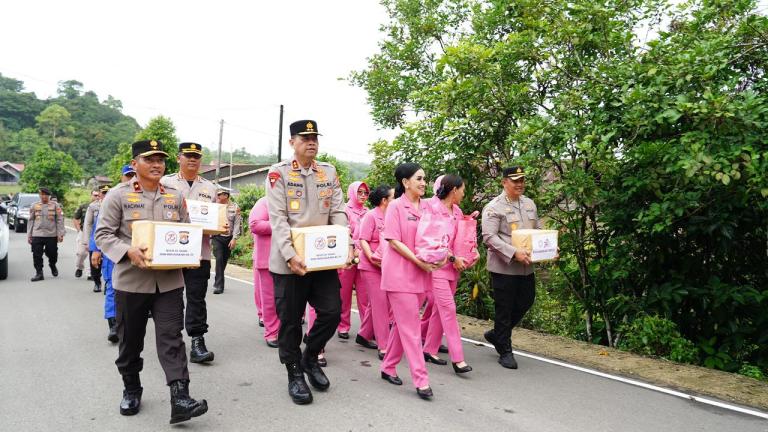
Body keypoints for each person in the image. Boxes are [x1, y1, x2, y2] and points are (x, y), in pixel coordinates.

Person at [95, 139, 208, 424]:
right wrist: (127, 251)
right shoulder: (118, 196)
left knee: (172, 338)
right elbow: (104, 235)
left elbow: (185, 230)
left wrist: (189, 249)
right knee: (130, 342)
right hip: (131, 283)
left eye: (160, 160)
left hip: (169, 282)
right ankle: (131, 387)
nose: (157, 164)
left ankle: (180, 397)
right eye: (149, 159)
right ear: (135, 165)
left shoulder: (174, 195)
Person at [266, 119, 351, 405]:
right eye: (305, 137)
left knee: (331, 311)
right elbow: (278, 220)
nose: (311, 142)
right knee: (290, 322)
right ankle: (294, 373)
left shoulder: (328, 172)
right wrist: (291, 255)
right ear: (292, 142)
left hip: (322, 261)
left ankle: (310, 356)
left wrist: (345, 245)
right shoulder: (278, 174)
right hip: (290, 264)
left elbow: (338, 211)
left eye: (315, 137)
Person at [379, 162, 440, 400]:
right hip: (400, 275)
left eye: (425, 178)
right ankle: (421, 380)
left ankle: (388, 366)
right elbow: (393, 240)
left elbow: (435, 234)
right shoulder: (395, 206)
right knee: (412, 329)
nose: (424, 183)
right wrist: (419, 261)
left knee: (404, 326)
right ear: (405, 182)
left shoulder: (427, 207)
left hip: (422, 274)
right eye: (418, 178)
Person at [161, 142, 218, 364]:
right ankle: (173, 340)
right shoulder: (165, 183)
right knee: (172, 297)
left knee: (197, 297)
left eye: (196, 156)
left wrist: (219, 226)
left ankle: (197, 340)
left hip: (199, 253)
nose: (192, 160)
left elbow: (216, 218)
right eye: (188, 156)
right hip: (171, 251)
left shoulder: (210, 188)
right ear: (178, 158)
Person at [481, 166, 543, 369]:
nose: (519, 184)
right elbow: (489, 238)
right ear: (504, 182)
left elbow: (538, 231)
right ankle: (505, 350)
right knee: (504, 308)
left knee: (526, 300)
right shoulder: (494, 207)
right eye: (515, 180)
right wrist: (513, 252)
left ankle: (497, 334)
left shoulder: (530, 204)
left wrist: (549, 247)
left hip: (526, 267)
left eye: (522, 180)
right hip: (504, 267)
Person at [422, 174, 473, 373]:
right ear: (453, 190)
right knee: (449, 310)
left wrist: (470, 252)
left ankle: (429, 349)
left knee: (438, 309)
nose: (464, 193)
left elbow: (459, 238)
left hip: (453, 268)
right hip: (437, 267)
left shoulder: (457, 211)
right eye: (462, 189)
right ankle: (458, 358)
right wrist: (452, 257)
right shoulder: (430, 208)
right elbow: (432, 240)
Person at [96, 164, 137, 343]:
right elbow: (100, 231)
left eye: (133, 175)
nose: (131, 179)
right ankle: (113, 324)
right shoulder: (114, 196)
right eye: (128, 176)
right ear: (122, 177)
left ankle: (126, 324)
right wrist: (95, 251)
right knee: (113, 287)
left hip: (140, 256)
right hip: (115, 254)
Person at [356, 185, 395, 360]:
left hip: (387, 265)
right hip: (371, 265)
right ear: (384, 200)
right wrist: (371, 256)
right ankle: (384, 346)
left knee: (380, 302)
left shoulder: (393, 216)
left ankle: (364, 334)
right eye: (393, 197)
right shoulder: (371, 216)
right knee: (380, 304)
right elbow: (362, 239)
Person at [337, 181, 373, 343]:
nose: (363, 196)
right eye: (360, 192)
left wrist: (363, 249)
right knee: (343, 294)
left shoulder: (369, 212)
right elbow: (344, 232)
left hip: (364, 257)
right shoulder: (344, 210)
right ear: (352, 192)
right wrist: (354, 247)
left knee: (365, 295)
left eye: (365, 193)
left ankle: (366, 330)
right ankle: (343, 326)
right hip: (348, 256)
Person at [249, 197, 279, 347]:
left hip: (288, 258)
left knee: (287, 299)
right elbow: (255, 225)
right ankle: (272, 333)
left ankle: (284, 331)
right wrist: (281, 225)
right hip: (267, 259)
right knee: (269, 299)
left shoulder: (292, 201)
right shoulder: (264, 202)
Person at [28, 187, 65, 282]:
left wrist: (60, 233)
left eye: (45, 195)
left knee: (53, 254)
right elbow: (31, 220)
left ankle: (52, 264)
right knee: (36, 255)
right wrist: (29, 235)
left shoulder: (55, 205)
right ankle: (39, 273)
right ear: (40, 195)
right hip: (37, 234)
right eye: (41, 194)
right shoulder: (34, 205)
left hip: (51, 235)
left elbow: (59, 220)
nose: (43, 196)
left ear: (49, 196)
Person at [212, 186, 242, 294]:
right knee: (219, 259)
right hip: (217, 237)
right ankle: (219, 286)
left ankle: (218, 278)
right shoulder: (214, 207)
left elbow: (237, 224)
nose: (220, 196)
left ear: (227, 196)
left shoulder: (235, 207)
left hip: (229, 238)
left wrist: (234, 239)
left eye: (222, 194)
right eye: (218, 195)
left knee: (223, 261)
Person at [83, 186, 107, 293]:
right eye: (104, 192)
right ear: (100, 194)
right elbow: (88, 224)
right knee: (95, 264)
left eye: (108, 192)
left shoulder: (116, 204)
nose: (105, 195)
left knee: (108, 264)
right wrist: (87, 241)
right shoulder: (93, 206)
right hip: (95, 239)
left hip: (109, 240)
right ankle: (97, 282)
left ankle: (108, 284)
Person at [74, 190, 99, 278]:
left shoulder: (103, 206)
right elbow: (76, 218)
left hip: (96, 233)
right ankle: (80, 267)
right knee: (81, 253)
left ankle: (90, 273)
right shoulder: (84, 206)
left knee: (92, 253)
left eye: (98, 195)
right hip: (83, 232)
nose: (97, 197)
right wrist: (78, 230)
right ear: (91, 195)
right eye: (95, 195)